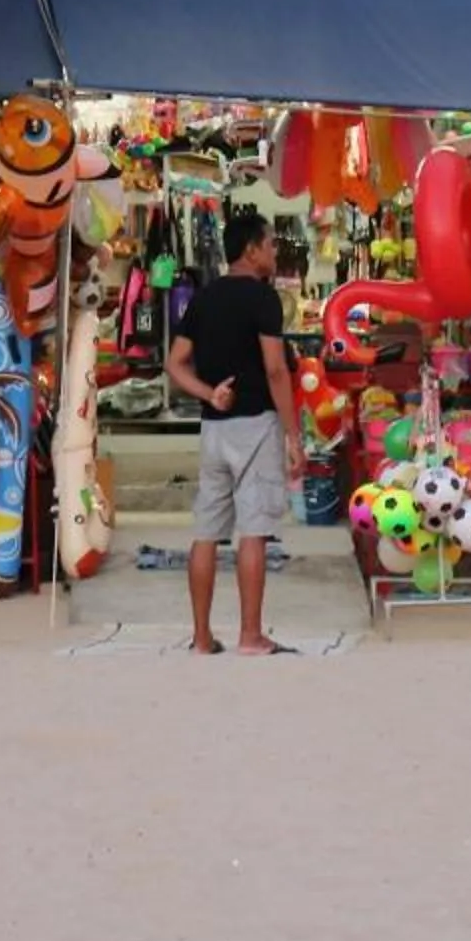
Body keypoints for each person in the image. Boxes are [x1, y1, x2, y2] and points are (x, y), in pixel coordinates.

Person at [166, 212, 302, 655]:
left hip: (214, 428)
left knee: (205, 532)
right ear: (252, 249)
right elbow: (276, 369)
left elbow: (174, 363)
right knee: (254, 531)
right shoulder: (264, 299)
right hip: (256, 425)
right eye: (270, 244)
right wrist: (293, 433)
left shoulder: (204, 297)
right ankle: (250, 635)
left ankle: (202, 637)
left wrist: (209, 393)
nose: (274, 252)